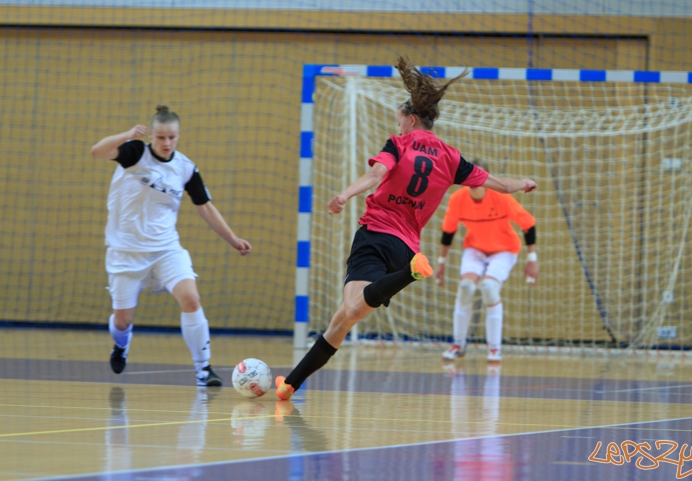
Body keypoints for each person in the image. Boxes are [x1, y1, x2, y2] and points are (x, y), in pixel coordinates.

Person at [275, 56, 537, 401]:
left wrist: (344, 194)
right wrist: (521, 183)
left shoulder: (399, 144)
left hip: (376, 234)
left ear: (411, 119)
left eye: (399, 121)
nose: (397, 127)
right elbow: (496, 183)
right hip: (406, 248)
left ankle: (412, 274)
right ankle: (290, 385)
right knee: (343, 319)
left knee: (350, 311)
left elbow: (375, 175)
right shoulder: (451, 157)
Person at [91, 105, 251, 386]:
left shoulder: (185, 168)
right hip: (126, 252)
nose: (167, 143)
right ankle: (121, 345)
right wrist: (127, 135)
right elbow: (97, 151)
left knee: (191, 298)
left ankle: (204, 370)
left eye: (172, 138)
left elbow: (206, 208)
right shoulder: (135, 153)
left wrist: (233, 239)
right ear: (152, 135)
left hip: (166, 249)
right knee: (122, 321)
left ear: (178, 136)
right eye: (161, 137)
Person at [435, 161, 538, 363]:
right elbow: (448, 231)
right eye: (470, 176)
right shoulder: (457, 199)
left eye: (479, 176)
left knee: (489, 287)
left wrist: (532, 259)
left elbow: (528, 224)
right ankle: (458, 344)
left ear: (486, 178)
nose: (474, 182)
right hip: (475, 248)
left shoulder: (501, 198)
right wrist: (441, 262)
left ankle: (494, 347)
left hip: (505, 249)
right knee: (465, 287)